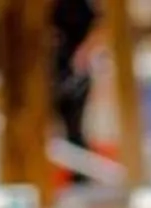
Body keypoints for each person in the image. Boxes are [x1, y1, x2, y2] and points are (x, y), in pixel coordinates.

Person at [51, 0, 99, 151]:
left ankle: (80, 172)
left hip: (74, 73)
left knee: (74, 129)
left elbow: (99, 24)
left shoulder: (79, 6)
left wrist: (84, 52)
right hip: (51, 71)